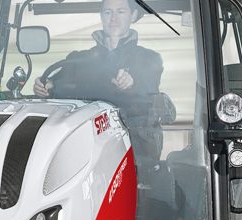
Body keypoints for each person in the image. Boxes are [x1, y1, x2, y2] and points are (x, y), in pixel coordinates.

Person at [29, 0, 166, 163]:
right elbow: (59, 82)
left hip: (134, 146)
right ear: (101, 16)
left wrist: (132, 83)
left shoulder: (149, 58)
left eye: (121, 12)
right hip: (86, 143)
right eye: (108, 12)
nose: (113, 18)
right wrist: (47, 86)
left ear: (134, 15)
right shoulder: (79, 58)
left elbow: (148, 87)